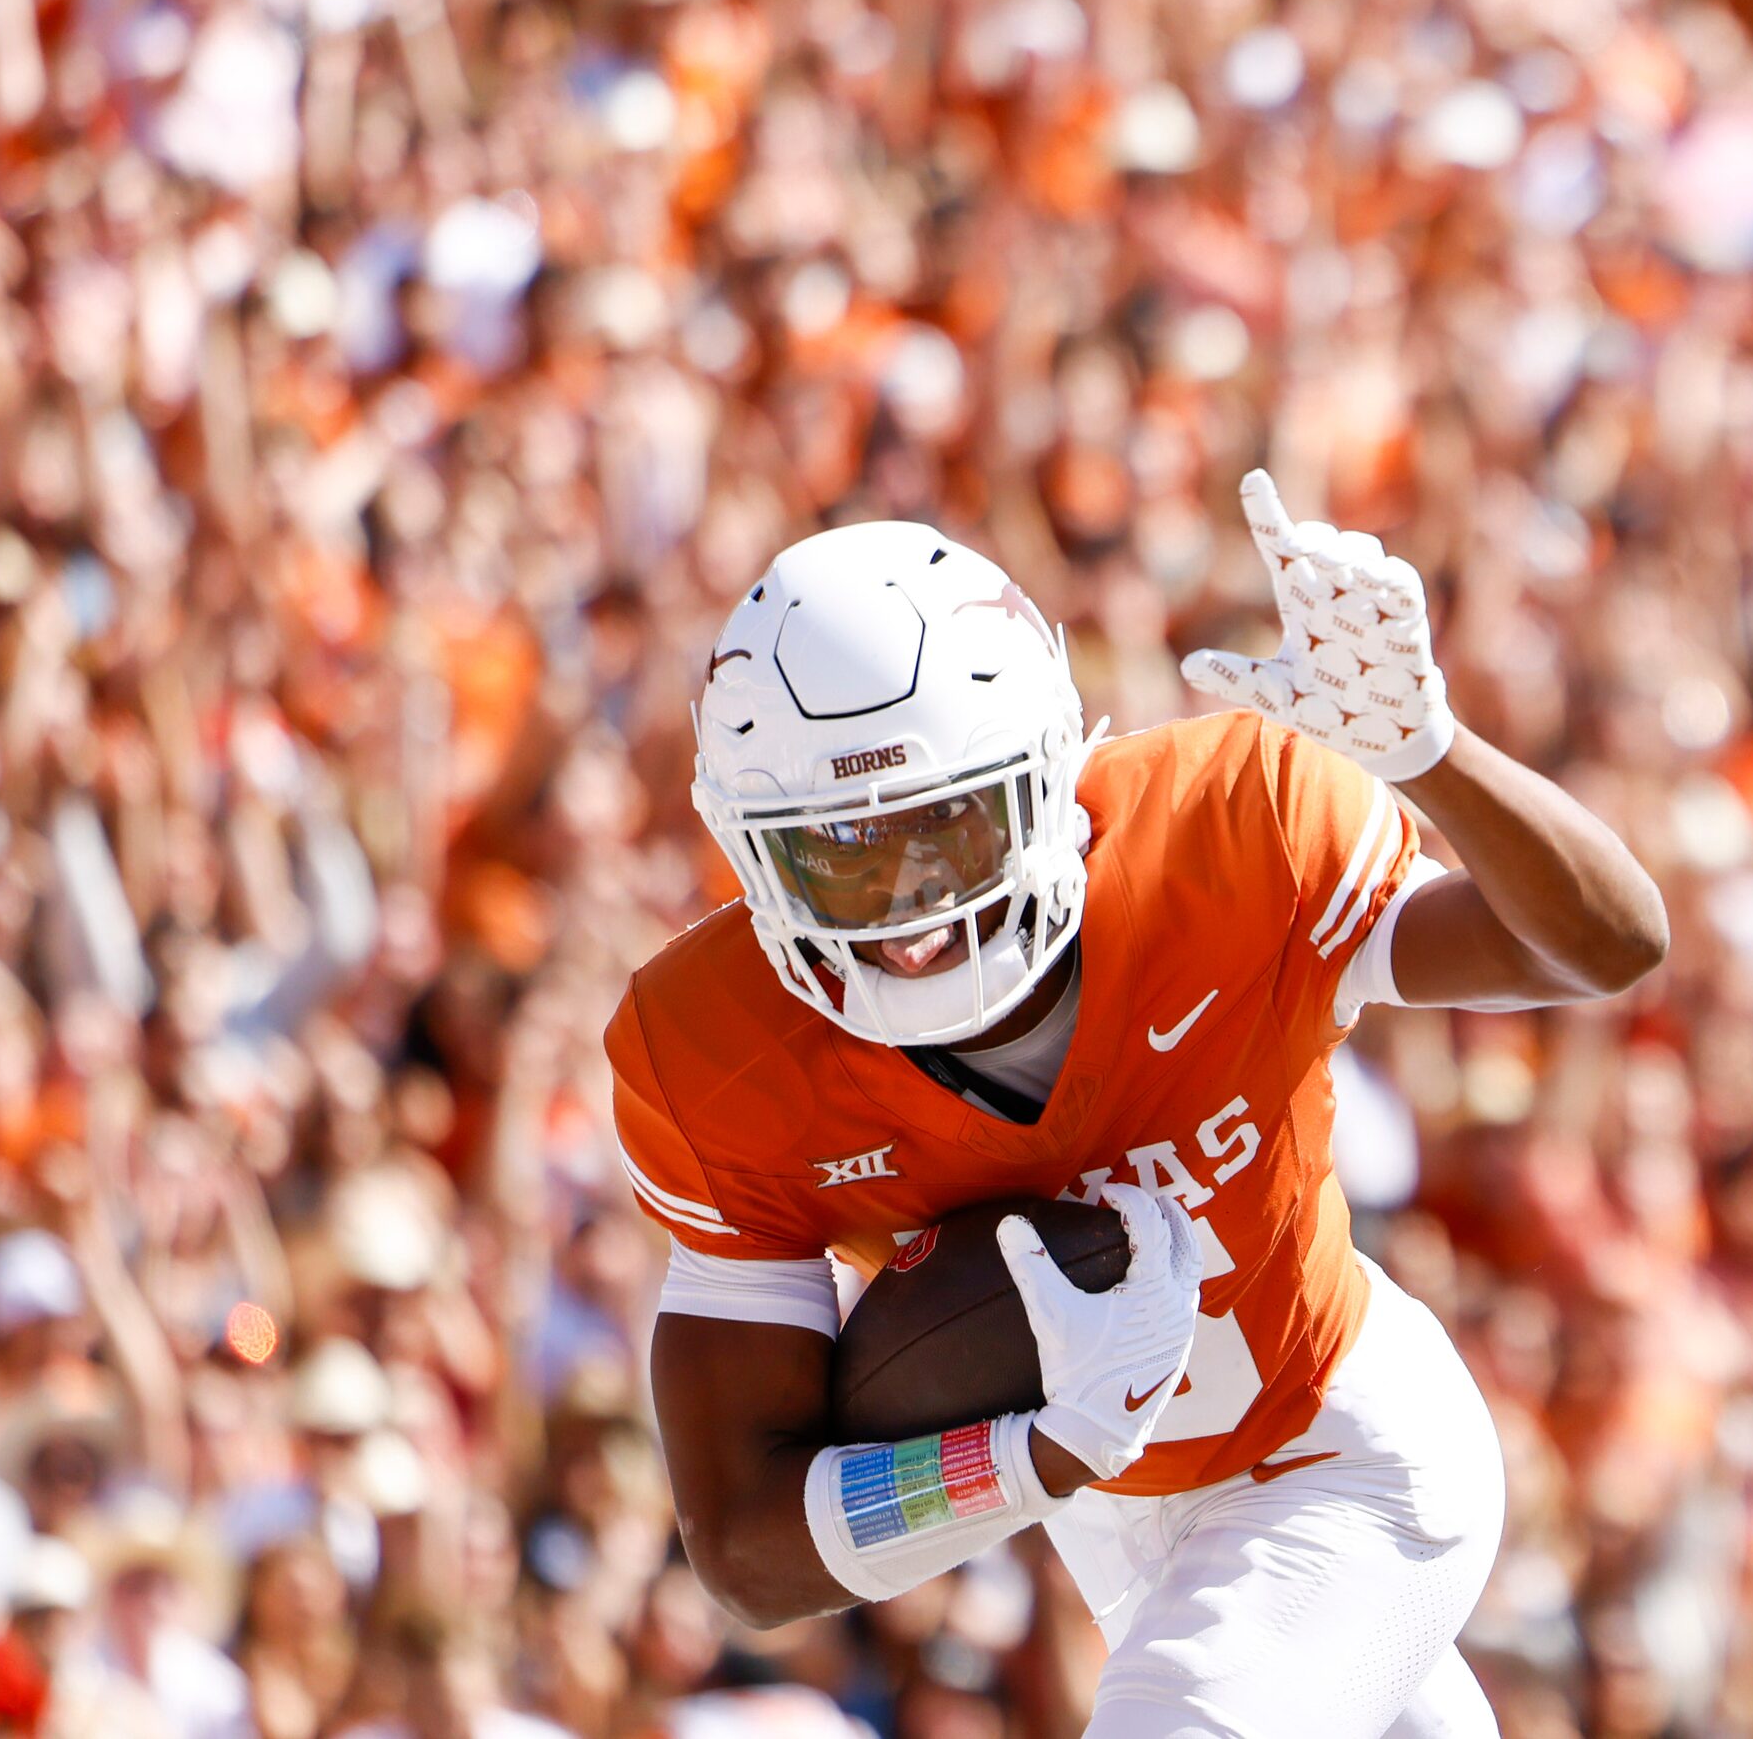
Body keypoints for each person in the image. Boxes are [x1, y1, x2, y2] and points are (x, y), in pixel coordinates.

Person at [612, 470, 1667, 1737]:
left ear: (1048, 772)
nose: (905, 915)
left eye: (943, 828)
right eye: (842, 853)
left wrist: (1429, 758)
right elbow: (746, 1551)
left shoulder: (1229, 831)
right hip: (1115, 1529)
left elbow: (1600, 947)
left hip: (1341, 1440)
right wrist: (1037, 1457)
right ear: (749, 851)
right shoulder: (710, 1054)